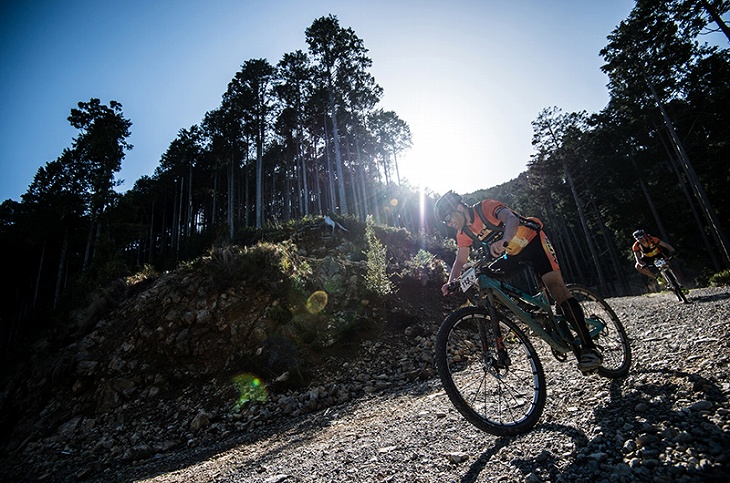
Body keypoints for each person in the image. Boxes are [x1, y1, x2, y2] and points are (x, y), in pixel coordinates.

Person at [434, 190, 602, 373]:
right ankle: (531, 310)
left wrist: (505, 240)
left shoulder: (485, 207)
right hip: (514, 254)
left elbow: (511, 219)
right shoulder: (463, 233)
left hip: (534, 242)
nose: (449, 223)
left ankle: (589, 347)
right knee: (486, 278)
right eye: (445, 221)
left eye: (448, 217)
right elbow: (460, 260)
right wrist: (451, 282)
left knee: (555, 287)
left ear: (459, 207)